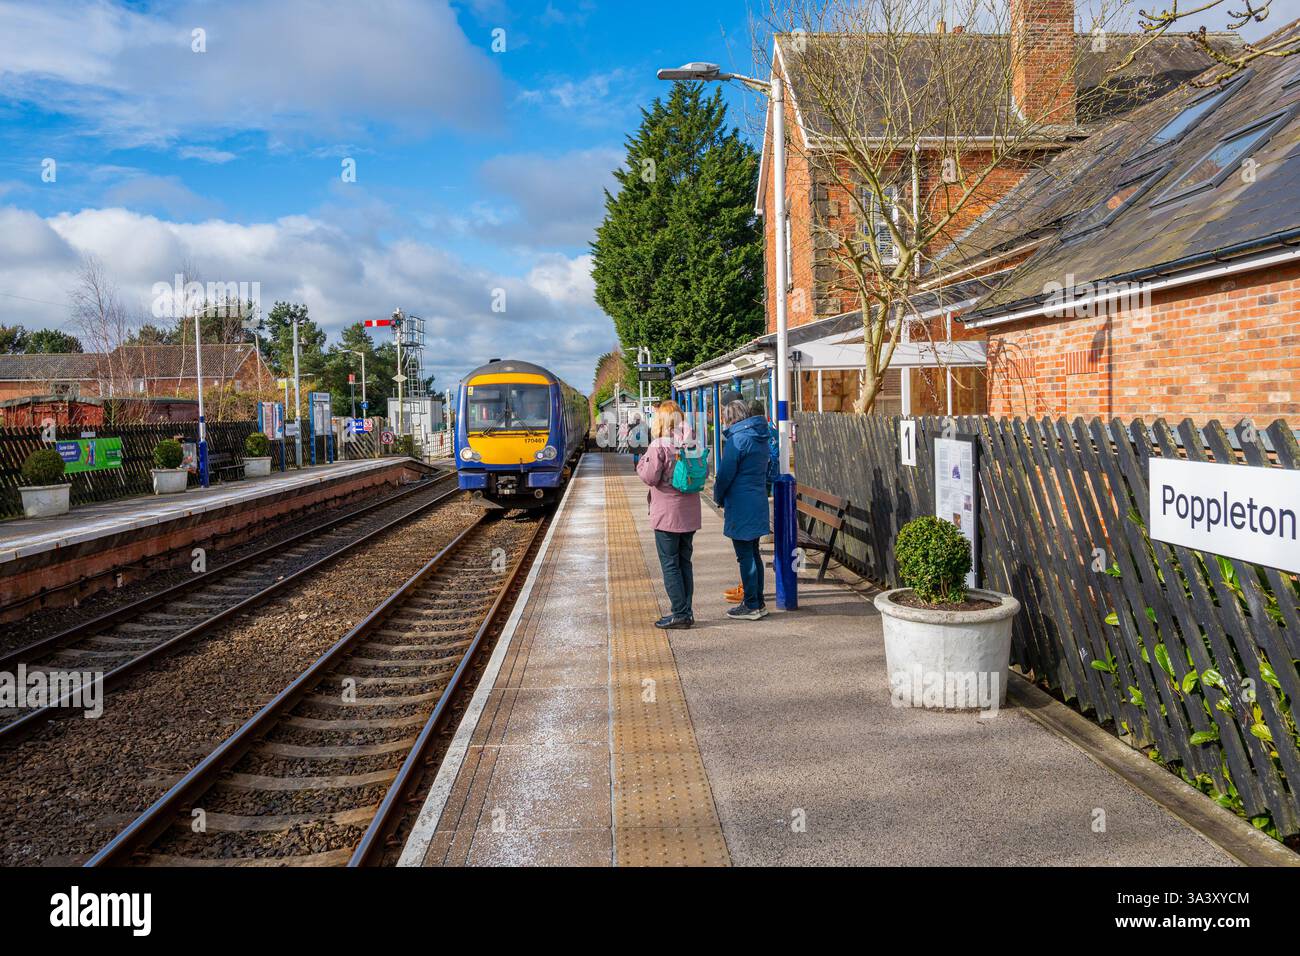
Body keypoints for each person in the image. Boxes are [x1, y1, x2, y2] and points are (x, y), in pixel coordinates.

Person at [635, 400, 701, 629]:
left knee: (670, 564)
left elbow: (650, 477)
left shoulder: (659, 445)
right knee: (685, 563)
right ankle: (687, 610)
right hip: (690, 513)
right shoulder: (693, 443)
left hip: (667, 515)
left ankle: (680, 613)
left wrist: (641, 462)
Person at [714, 399, 771, 620]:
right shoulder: (760, 438)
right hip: (756, 500)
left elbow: (725, 475)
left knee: (745, 556)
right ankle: (759, 602)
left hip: (740, 503)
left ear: (730, 418)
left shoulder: (737, 440)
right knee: (754, 553)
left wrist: (718, 497)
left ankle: (751, 605)